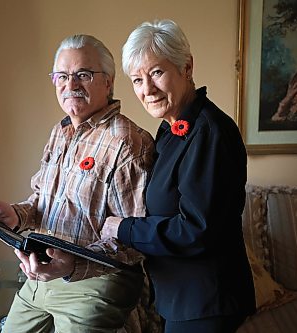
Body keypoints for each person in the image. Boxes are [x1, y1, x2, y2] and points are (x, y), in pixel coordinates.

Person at [0, 34, 157, 333]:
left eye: (83, 75)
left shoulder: (128, 141)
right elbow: (42, 200)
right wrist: (16, 214)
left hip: (97, 282)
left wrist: (73, 265)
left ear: (108, 82)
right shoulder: (60, 132)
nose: (71, 85)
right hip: (42, 277)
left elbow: (136, 241)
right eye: (62, 76)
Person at [100, 19, 256, 333]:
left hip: (205, 302)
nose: (147, 90)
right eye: (137, 79)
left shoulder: (209, 132)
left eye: (157, 72)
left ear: (187, 67)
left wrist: (125, 228)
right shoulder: (170, 130)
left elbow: (196, 229)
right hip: (180, 297)